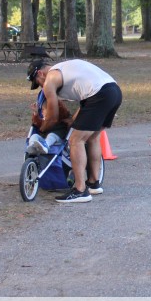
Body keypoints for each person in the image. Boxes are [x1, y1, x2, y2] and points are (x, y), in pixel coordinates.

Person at [27, 58, 123, 203]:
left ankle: (80, 190)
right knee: (92, 138)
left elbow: (53, 117)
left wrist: (43, 128)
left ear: (40, 73)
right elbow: (85, 100)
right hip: (114, 92)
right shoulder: (67, 67)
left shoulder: (50, 80)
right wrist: (73, 121)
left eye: (38, 82)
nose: (41, 86)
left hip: (99, 95)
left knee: (75, 140)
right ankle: (93, 183)